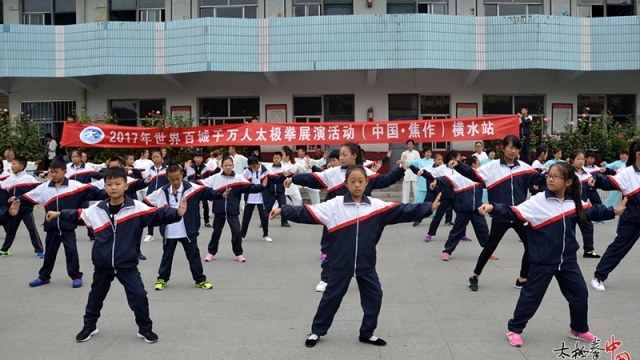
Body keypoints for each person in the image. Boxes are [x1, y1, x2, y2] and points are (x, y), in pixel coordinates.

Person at [270, 165, 441, 348]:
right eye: (352, 181)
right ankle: (317, 331)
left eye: (361, 181)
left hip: (366, 264)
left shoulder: (377, 207)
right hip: (340, 263)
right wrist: (284, 210)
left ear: (367, 182)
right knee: (331, 298)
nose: (357, 185)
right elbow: (307, 212)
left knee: (375, 296)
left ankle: (367, 333)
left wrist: (428, 207)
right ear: (346, 183)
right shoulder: (334, 206)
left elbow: (403, 210)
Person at [478, 162, 624, 347]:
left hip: (568, 260)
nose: (550, 179)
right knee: (531, 297)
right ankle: (514, 329)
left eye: (556, 176)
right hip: (542, 261)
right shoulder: (538, 201)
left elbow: (593, 211)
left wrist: (614, 211)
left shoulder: (574, 202)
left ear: (569, 182)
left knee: (579, 293)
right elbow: (514, 211)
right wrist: (492, 207)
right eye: (549, 175)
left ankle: (578, 329)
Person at [47, 167, 186, 344]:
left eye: (118, 184)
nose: (113, 187)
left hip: (126, 263)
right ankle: (89, 326)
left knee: (139, 296)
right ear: (104, 186)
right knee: (95, 297)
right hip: (102, 264)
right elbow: (78, 215)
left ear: (126, 186)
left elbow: (157, 214)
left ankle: (145, 329)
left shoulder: (136, 208)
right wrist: (59, 213)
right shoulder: (97, 209)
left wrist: (176, 213)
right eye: (109, 184)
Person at [284, 142, 407, 292]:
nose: (341, 158)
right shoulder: (332, 173)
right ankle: (325, 278)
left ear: (354, 156)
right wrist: (294, 179)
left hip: (361, 219)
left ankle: (369, 281)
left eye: (344, 155)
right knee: (330, 248)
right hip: (336, 220)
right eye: (340, 155)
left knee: (365, 250)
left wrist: (401, 170)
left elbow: (384, 180)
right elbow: (312, 178)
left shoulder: (365, 173)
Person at [452, 135, 547, 291]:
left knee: (530, 246)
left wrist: (557, 174)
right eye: (510, 147)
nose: (513, 150)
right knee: (490, 247)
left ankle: (522, 279)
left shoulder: (524, 167)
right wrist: (458, 166)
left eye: (516, 148)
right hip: (500, 214)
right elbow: (474, 175)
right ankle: (474, 276)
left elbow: (539, 178)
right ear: (503, 148)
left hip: (519, 214)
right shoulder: (492, 167)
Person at [13, 157, 107, 288]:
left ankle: (76, 276)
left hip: (68, 227)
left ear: (64, 171)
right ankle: (44, 276)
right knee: (50, 254)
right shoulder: (44, 188)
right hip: (51, 227)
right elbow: (29, 197)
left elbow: (96, 193)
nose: (54, 175)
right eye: (52, 172)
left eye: (57, 171)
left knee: (71, 252)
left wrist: (114, 193)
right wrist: (16, 199)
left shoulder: (76, 187)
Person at [145, 164, 229, 291]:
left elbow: (208, 192)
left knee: (194, 255)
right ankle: (162, 279)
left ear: (182, 176)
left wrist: (221, 195)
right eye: (172, 179)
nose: (175, 182)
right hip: (169, 231)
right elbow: (146, 203)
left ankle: (200, 280)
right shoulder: (161, 191)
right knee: (167, 256)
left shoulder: (192, 188)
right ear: (167, 177)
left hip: (188, 230)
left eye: (178, 179)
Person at [414, 155, 489, 260]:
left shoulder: (480, 177)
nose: (480, 165)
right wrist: (436, 181)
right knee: (456, 231)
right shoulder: (459, 177)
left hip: (477, 208)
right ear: (473, 165)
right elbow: (446, 179)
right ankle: (447, 251)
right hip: (463, 209)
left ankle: (488, 251)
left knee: (483, 230)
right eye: (478, 163)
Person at [589, 142, 640, 292]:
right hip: (632, 219)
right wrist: (597, 179)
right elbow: (609, 180)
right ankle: (598, 277)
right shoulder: (627, 173)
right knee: (618, 249)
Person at [200, 156, 267, 262]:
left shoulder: (238, 178)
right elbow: (201, 184)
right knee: (216, 232)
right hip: (219, 210)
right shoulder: (215, 178)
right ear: (221, 166)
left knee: (237, 232)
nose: (228, 167)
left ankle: (238, 253)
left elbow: (249, 187)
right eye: (225, 165)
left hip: (232, 211)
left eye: (230, 165)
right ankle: (211, 252)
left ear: (233, 166)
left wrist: (261, 187)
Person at [92, 157, 152, 260]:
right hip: (112, 209)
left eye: (116, 167)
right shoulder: (105, 181)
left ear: (122, 167)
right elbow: (92, 188)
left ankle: (136, 251)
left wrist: (146, 181)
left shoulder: (129, 179)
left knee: (135, 232)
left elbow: (139, 183)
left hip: (130, 210)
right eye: (111, 167)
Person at [0, 157, 44, 258]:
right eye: (12, 164)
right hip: (13, 210)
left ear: (21, 166)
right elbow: (2, 186)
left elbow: (37, 191)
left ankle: (39, 250)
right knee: (11, 230)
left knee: (32, 229)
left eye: (14, 164)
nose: (12, 166)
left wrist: (18, 198)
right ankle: (4, 250)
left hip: (25, 209)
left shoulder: (29, 179)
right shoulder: (10, 179)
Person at [567, 150, 602, 258]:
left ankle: (589, 250)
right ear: (572, 160)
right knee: (569, 230)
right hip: (570, 207)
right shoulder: (569, 173)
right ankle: (568, 251)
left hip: (583, 207)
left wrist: (598, 206)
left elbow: (591, 191)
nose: (581, 161)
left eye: (582, 159)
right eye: (578, 159)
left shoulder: (588, 174)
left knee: (588, 227)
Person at [423, 151, 459, 241]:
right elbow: (432, 176)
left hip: (456, 194)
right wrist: (434, 181)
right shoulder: (442, 168)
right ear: (453, 158)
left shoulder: (459, 168)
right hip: (444, 194)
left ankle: (461, 234)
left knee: (461, 215)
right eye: (458, 157)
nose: (459, 159)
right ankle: (430, 234)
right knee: (438, 215)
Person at [240, 156, 273, 242]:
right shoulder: (247, 171)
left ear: (258, 163)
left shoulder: (266, 170)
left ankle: (265, 234)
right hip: (250, 197)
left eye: (255, 165)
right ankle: (242, 235)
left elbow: (274, 178)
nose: (253, 167)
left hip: (262, 198)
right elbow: (241, 180)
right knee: (246, 217)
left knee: (264, 217)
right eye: (251, 165)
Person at [141, 149, 168, 243]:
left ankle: (165, 232)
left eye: (157, 157)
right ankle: (150, 234)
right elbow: (143, 179)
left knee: (163, 213)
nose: (155, 159)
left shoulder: (167, 169)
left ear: (161, 157)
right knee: (150, 214)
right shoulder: (149, 170)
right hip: (151, 195)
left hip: (163, 195)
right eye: (153, 157)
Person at [262, 151, 292, 227]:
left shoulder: (284, 169)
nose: (276, 160)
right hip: (270, 192)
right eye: (274, 158)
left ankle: (284, 222)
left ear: (281, 159)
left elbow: (290, 176)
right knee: (267, 207)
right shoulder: (268, 168)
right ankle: (263, 222)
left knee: (283, 206)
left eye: (277, 158)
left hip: (280, 192)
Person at [185, 151, 214, 227]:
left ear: (202, 159)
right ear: (194, 158)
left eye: (200, 158)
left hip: (203, 188)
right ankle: (195, 221)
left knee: (205, 205)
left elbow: (213, 173)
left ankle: (206, 221)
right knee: (195, 206)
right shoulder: (190, 167)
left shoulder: (206, 166)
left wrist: (218, 168)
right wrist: (184, 169)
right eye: (197, 157)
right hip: (193, 189)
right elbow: (184, 176)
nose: (198, 159)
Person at [405, 146, 434, 219]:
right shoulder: (419, 161)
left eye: (430, 152)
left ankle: (434, 213)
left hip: (432, 184)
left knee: (433, 200)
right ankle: (413, 213)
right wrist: (402, 161)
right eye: (427, 152)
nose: (428, 153)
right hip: (422, 184)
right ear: (424, 153)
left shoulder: (434, 161)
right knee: (418, 200)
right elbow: (410, 162)